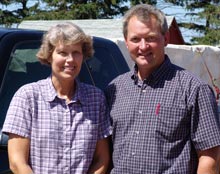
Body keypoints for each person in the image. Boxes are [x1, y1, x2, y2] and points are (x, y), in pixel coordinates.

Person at [105, 4, 220, 174]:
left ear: (165, 39)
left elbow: (210, 155)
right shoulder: (114, 89)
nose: (143, 47)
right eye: (136, 39)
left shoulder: (193, 89)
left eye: (150, 38)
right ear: (126, 41)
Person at [2, 22, 111, 174]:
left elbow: (102, 159)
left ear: (83, 56)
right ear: (49, 56)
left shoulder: (96, 98)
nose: (71, 59)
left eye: (76, 52)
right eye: (63, 53)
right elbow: (17, 162)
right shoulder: (28, 96)